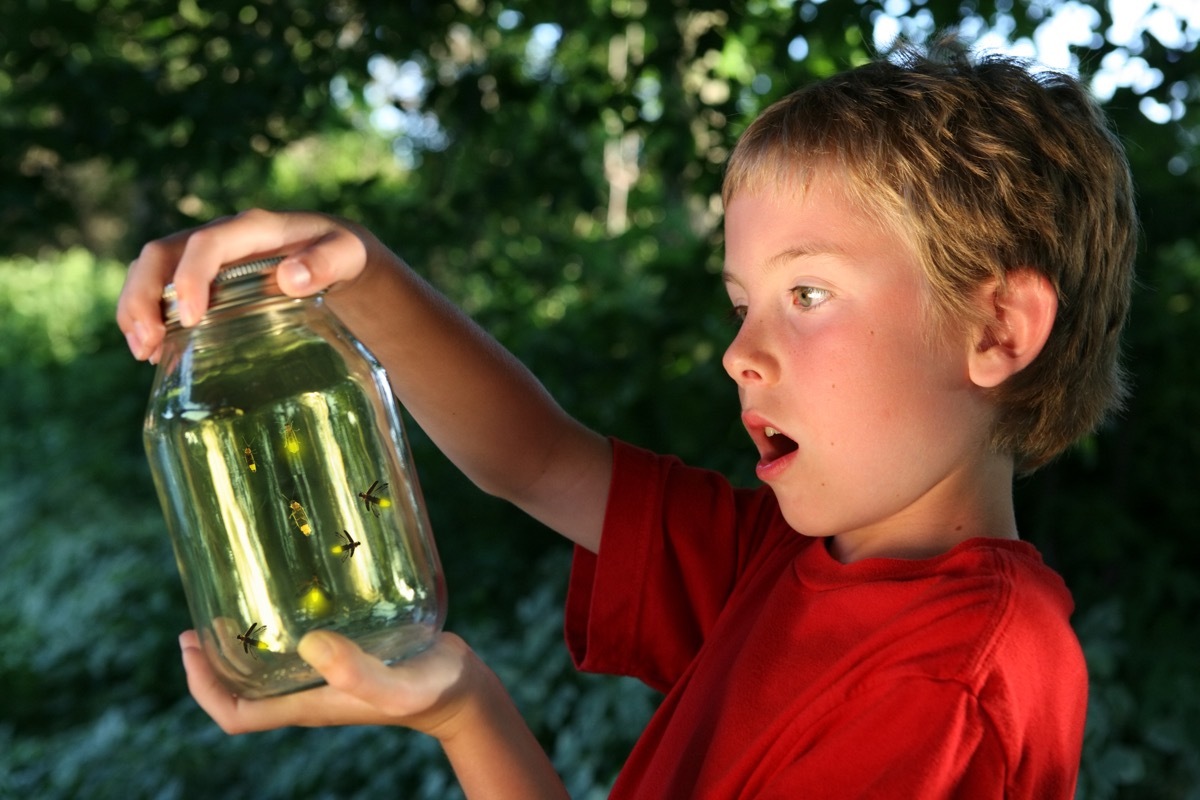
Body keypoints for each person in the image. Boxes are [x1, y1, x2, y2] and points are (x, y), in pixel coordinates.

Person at [116, 36, 1136, 799]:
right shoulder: (788, 562)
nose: (739, 351)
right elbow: (539, 458)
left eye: (809, 294)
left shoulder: (952, 688)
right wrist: (346, 271)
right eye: (742, 302)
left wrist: (464, 713)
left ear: (999, 328)